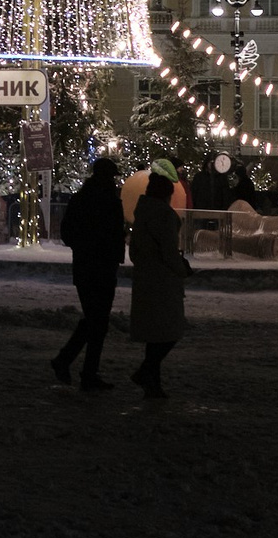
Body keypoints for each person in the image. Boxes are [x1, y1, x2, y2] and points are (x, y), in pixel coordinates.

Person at [50, 156, 124, 390]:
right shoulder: (110, 200)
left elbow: (67, 233)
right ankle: (78, 368)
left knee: (94, 320)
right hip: (103, 267)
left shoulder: (80, 199)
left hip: (85, 267)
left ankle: (76, 366)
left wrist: (83, 247)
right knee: (97, 321)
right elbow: (114, 234)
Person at [127, 160, 191, 398]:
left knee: (155, 336)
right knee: (169, 332)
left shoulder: (141, 214)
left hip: (145, 279)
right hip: (163, 282)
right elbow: (168, 252)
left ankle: (152, 381)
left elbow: (134, 251)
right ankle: (146, 374)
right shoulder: (164, 216)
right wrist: (182, 269)